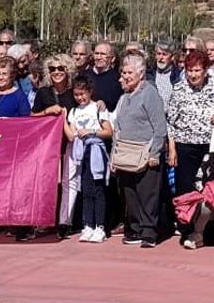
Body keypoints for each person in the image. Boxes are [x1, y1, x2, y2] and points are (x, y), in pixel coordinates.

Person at [165, 50, 214, 248]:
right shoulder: (178, 89)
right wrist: (173, 149)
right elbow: (171, 122)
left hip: (211, 146)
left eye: (197, 70)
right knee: (186, 189)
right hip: (185, 147)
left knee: (211, 188)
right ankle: (188, 230)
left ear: (205, 70)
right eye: (189, 70)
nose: (193, 74)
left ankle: (208, 231)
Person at [111, 53, 168, 248]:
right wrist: (113, 158)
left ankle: (149, 232)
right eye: (123, 72)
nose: (125, 76)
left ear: (141, 74)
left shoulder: (150, 93)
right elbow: (117, 130)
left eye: (129, 72)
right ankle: (133, 230)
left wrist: (155, 153)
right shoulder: (124, 97)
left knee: (148, 195)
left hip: (146, 154)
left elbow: (160, 127)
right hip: (125, 154)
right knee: (130, 195)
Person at [64, 76, 113, 242]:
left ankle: (100, 227)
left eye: (83, 94)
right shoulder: (74, 111)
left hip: (96, 152)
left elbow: (108, 131)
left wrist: (91, 131)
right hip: (81, 154)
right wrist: (63, 119)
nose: (80, 97)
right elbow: (71, 135)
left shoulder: (98, 108)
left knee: (98, 190)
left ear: (90, 92)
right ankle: (87, 225)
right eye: (77, 94)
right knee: (85, 190)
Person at [89, 42, 124, 111]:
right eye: (96, 53)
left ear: (112, 58)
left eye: (103, 54)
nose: (98, 57)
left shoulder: (118, 79)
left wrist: (105, 103)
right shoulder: (84, 75)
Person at [147, 41, 182, 106]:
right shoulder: (149, 75)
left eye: (164, 54)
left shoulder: (178, 76)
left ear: (172, 57)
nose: (161, 58)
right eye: (158, 54)